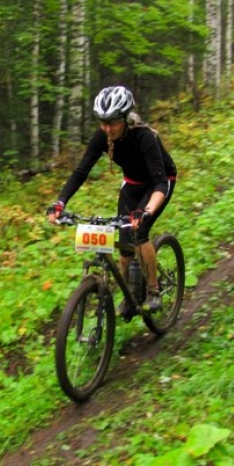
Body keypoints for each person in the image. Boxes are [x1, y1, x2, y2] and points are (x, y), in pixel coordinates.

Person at [47, 86, 177, 313]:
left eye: (113, 122)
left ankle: (154, 291)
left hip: (159, 184)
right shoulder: (102, 137)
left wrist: (145, 211)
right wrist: (60, 202)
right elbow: (81, 172)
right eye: (103, 122)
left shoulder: (145, 137)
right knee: (125, 246)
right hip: (132, 184)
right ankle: (130, 294)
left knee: (139, 232)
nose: (107, 129)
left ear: (126, 119)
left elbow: (160, 183)